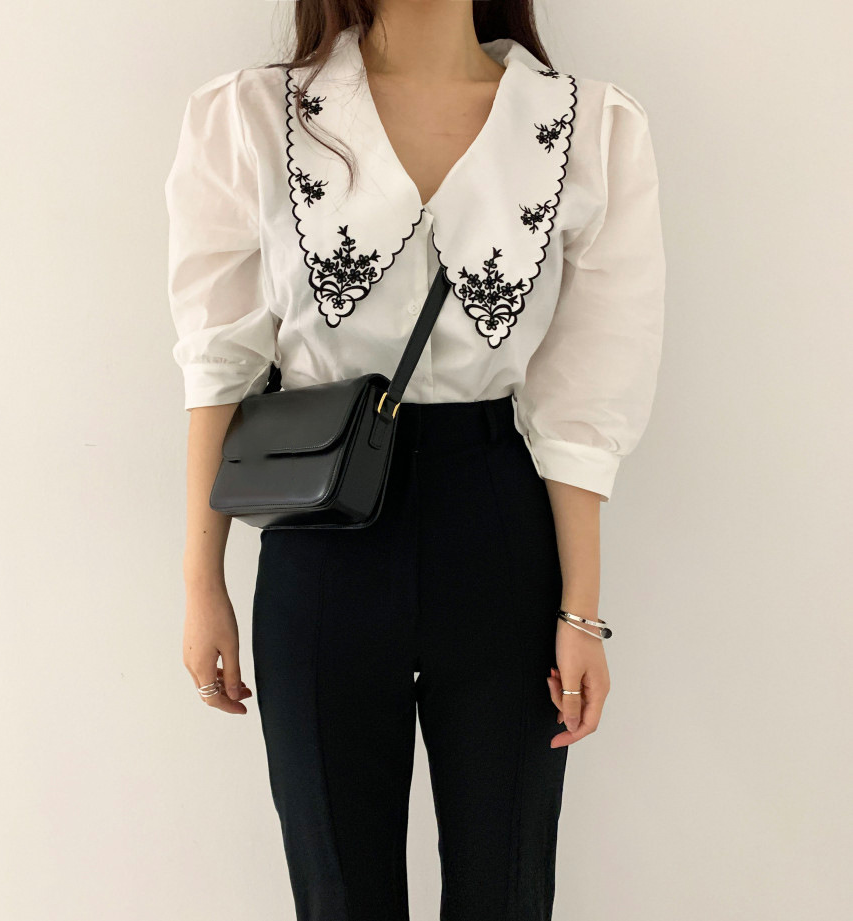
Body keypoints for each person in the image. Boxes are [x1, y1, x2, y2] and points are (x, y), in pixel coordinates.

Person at [164, 3, 665, 919]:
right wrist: (204, 583)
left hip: (499, 523)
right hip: (321, 530)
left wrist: (581, 613)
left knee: (507, 892)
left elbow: (584, 394)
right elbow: (219, 362)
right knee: (338, 898)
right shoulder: (252, 116)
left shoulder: (588, 127)